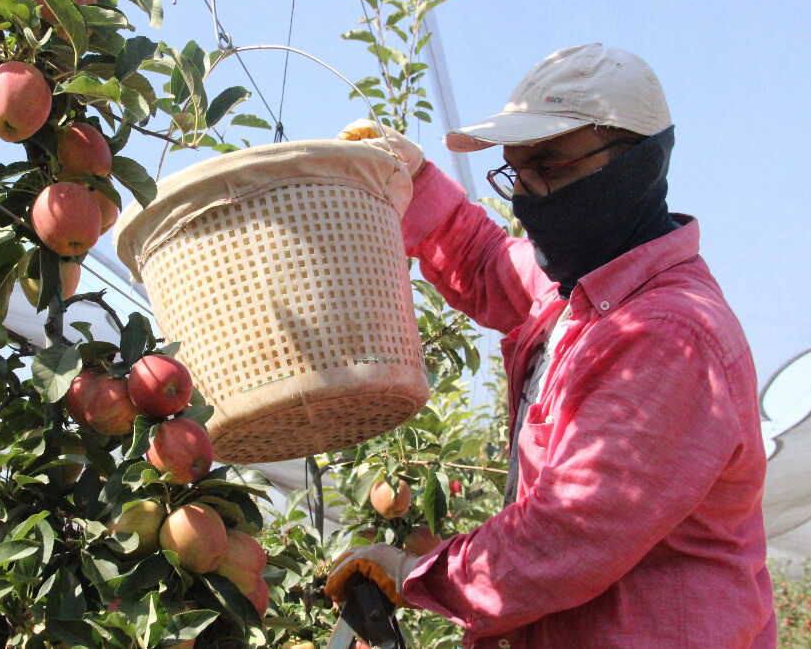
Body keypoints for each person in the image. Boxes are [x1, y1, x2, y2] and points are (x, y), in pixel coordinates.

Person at [325, 43, 775, 647]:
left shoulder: (668, 337)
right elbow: (486, 262)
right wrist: (413, 178)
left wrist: (425, 576)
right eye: (517, 171)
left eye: (553, 166)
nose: (529, 195)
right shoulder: (583, 294)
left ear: (639, 162)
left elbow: (570, 534)